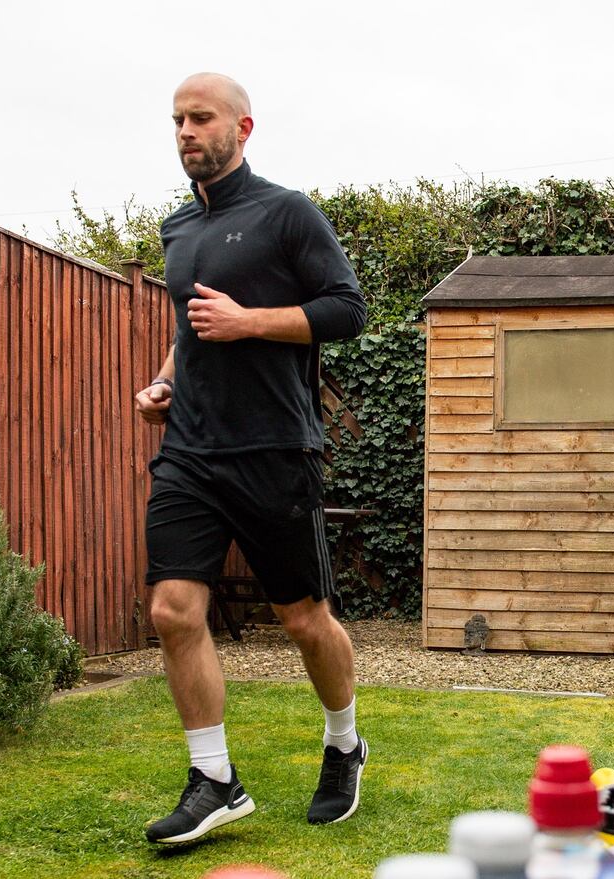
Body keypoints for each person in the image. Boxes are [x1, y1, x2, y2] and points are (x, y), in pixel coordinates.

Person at [134, 72, 368, 845]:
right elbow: (190, 328)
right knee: (173, 609)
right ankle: (214, 778)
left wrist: (250, 321)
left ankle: (344, 744)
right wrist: (165, 380)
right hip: (191, 452)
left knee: (303, 619)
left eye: (200, 118)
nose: (185, 132)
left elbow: (347, 310)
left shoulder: (286, 213)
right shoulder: (177, 229)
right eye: (176, 120)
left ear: (243, 127)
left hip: (274, 449)